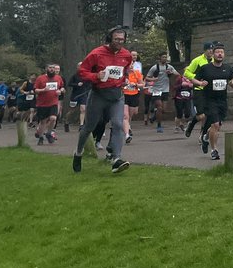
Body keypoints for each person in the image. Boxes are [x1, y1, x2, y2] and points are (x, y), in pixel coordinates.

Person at [73, 27, 133, 174]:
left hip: (116, 95)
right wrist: (96, 76)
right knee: (89, 127)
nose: (119, 42)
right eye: (116, 39)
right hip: (98, 95)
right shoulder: (97, 53)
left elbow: (125, 70)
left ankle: (116, 159)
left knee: (118, 124)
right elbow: (82, 72)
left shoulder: (126, 55)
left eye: (122, 39)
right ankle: (78, 153)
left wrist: (124, 79)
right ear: (109, 38)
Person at [192, 44, 233, 161]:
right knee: (215, 124)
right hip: (209, 100)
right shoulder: (206, 68)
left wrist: (232, 82)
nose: (220, 54)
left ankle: (206, 137)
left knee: (217, 126)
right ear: (213, 54)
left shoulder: (227, 68)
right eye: (217, 52)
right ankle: (214, 150)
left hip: (222, 101)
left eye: (222, 52)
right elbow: (193, 79)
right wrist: (200, 83)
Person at [182, 41, 215, 138]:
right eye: (208, 49)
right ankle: (191, 124)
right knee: (201, 115)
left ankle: (203, 135)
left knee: (209, 114)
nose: (210, 51)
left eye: (212, 49)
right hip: (199, 89)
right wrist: (197, 79)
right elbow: (187, 73)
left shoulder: (215, 61)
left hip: (211, 90)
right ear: (204, 50)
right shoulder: (197, 60)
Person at [33, 63, 66, 144]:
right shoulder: (40, 78)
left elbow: (62, 87)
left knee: (53, 118)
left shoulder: (58, 78)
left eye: (53, 68)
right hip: (42, 104)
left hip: (53, 103)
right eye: (50, 68)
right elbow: (35, 90)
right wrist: (43, 90)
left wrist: (60, 91)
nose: (52, 69)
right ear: (46, 69)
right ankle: (41, 137)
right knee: (43, 121)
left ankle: (49, 133)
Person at [144, 53, 177, 132]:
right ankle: (159, 125)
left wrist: (171, 73)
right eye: (163, 57)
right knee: (159, 107)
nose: (164, 58)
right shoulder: (155, 67)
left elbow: (178, 74)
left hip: (165, 90)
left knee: (163, 109)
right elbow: (147, 78)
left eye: (165, 57)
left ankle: (154, 117)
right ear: (160, 58)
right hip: (156, 90)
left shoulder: (169, 67)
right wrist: (153, 79)